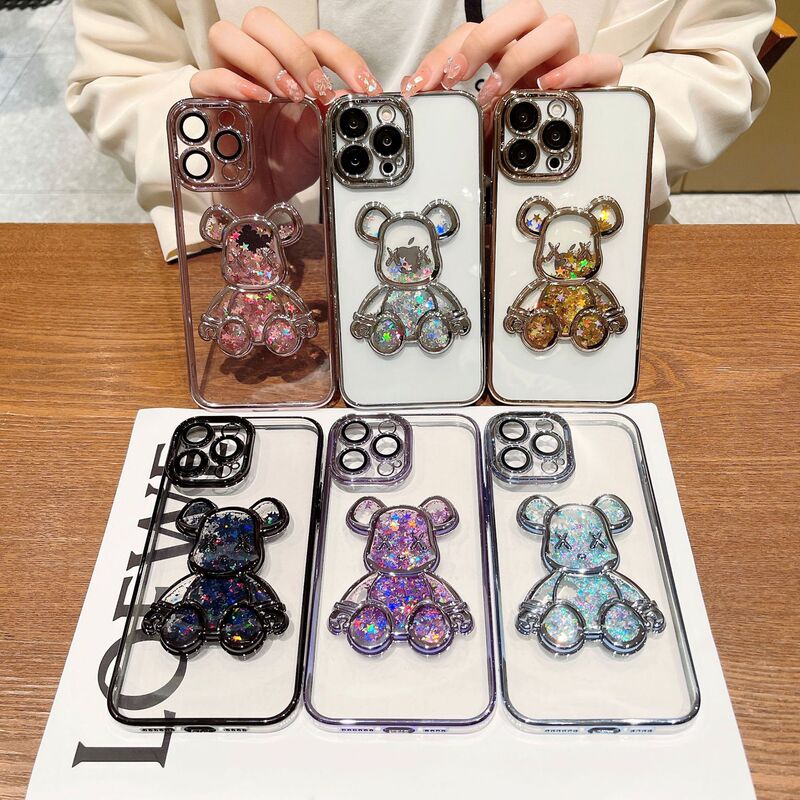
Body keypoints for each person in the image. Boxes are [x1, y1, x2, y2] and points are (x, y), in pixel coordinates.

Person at [66, 0, 774, 259]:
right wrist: (229, 155)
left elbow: (719, 64)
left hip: (582, 252)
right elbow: (118, 76)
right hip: (287, 258)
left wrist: (594, 130)